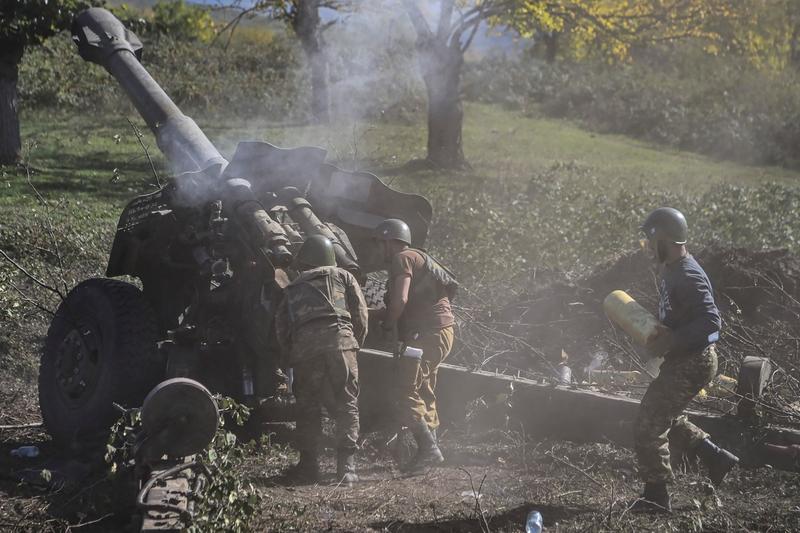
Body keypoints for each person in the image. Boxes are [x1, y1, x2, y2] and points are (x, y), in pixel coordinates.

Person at [633, 207, 739, 512]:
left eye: (650, 241)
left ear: (664, 238)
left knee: (648, 422)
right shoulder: (671, 269)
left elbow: (711, 322)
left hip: (695, 360)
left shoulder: (688, 274)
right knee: (667, 414)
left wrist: (672, 341)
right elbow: (682, 318)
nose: (648, 248)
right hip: (687, 359)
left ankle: (656, 496)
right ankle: (715, 457)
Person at [274, 235, 368, 485]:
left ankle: (308, 467)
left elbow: (281, 328)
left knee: (308, 407)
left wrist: (290, 356)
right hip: (341, 345)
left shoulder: (292, 287)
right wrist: (353, 342)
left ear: (304, 261)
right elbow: (360, 312)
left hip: (305, 352)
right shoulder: (343, 275)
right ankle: (347, 469)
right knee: (347, 403)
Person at [371, 218, 457, 472]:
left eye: (380, 244)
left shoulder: (402, 258)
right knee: (424, 388)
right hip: (441, 332)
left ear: (389, 242)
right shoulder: (418, 257)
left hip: (427, 334)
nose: (378, 250)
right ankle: (432, 451)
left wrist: (387, 325)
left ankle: (429, 451)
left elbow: (400, 301)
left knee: (405, 389)